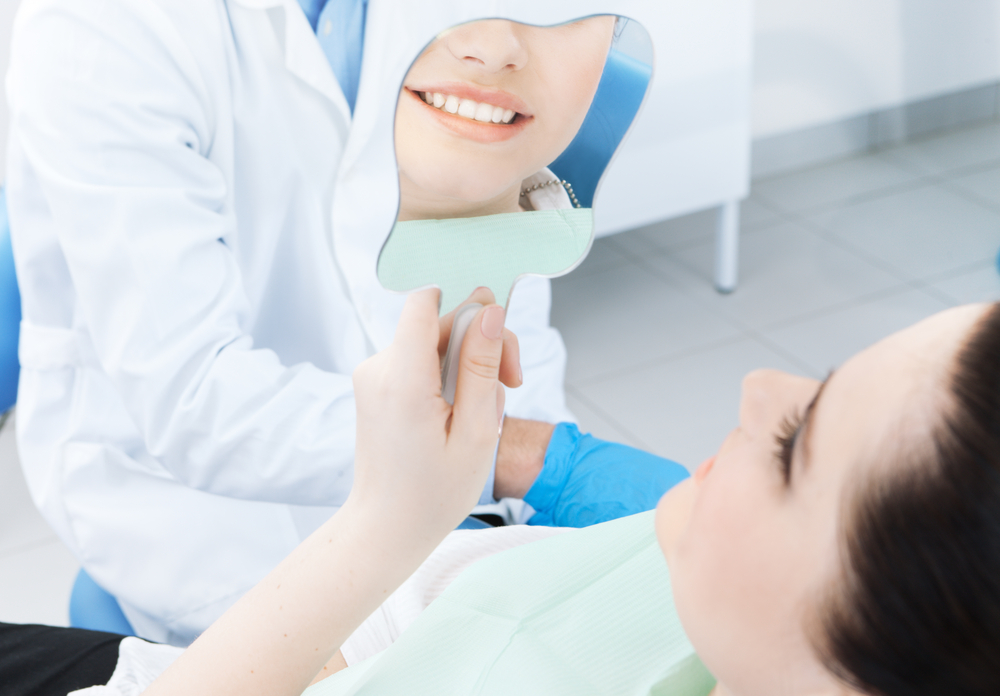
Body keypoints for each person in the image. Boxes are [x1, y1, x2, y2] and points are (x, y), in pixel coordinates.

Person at [5, 0, 680, 646]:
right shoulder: (102, 22)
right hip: (203, 514)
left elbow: (498, 254)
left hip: (429, 471)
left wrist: (526, 498)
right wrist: (520, 455)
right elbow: (195, 399)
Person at [0, 296, 986, 695]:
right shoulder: (695, 566)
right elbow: (386, 638)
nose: (757, 389)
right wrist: (524, 460)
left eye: (793, 447)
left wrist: (382, 522)